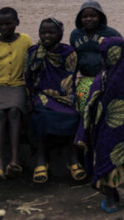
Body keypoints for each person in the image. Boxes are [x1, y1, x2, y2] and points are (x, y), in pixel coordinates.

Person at [74, 37, 124, 214]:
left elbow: (91, 104)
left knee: (106, 163)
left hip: (106, 131)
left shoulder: (106, 77)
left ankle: (111, 201)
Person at [25, 18, 84, 183]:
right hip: (41, 93)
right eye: (43, 32)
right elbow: (28, 77)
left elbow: (69, 77)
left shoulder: (68, 52)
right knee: (42, 115)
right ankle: (41, 158)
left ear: (60, 34)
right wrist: (29, 97)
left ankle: (73, 158)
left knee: (74, 115)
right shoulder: (33, 52)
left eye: (51, 32)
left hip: (63, 94)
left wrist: (61, 95)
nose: (47, 36)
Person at [70, 0, 122, 115]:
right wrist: (71, 83)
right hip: (85, 78)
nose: (89, 19)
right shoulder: (75, 35)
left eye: (93, 16)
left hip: (106, 79)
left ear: (100, 17)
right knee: (83, 105)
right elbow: (73, 61)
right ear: (80, 19)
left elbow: (123, 53)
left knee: (105, 109)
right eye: (85, 16)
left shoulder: (111, 34)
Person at [0, 7, 32, 180]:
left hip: (18, 85)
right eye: (1, 25)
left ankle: (14, 160)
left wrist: (30, 93)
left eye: (8, 23)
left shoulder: (25, 40)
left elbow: (31, 65)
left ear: (17, 23)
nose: (4, 28)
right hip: (0, 86)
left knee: (14, 112)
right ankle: (0, 163)